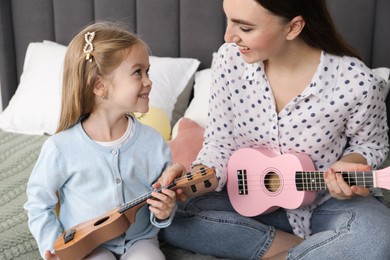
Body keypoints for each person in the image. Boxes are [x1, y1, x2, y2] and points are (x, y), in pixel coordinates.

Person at [159, 0, 390, 259]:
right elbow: (220, 143)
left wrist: (351, 161)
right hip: (247, 197)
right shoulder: (230, 59)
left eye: (245, 28)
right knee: (166, 217)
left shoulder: (357, 82)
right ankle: (296, 247)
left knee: (378, 236)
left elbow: (372, 145)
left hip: (326, 203)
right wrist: (194, 180)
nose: (228, 36)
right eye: (229, 20)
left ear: (293, 27)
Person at [24, 21, 182, 260]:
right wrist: (53, 245)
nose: (148, 81)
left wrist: (164, 212)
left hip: (140, 240)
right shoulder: (60, 148)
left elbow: (163, 200)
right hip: (88, 245)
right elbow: (38, 204)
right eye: (138, 72)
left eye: (148, 71)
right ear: (100, 85)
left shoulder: (153, 142)